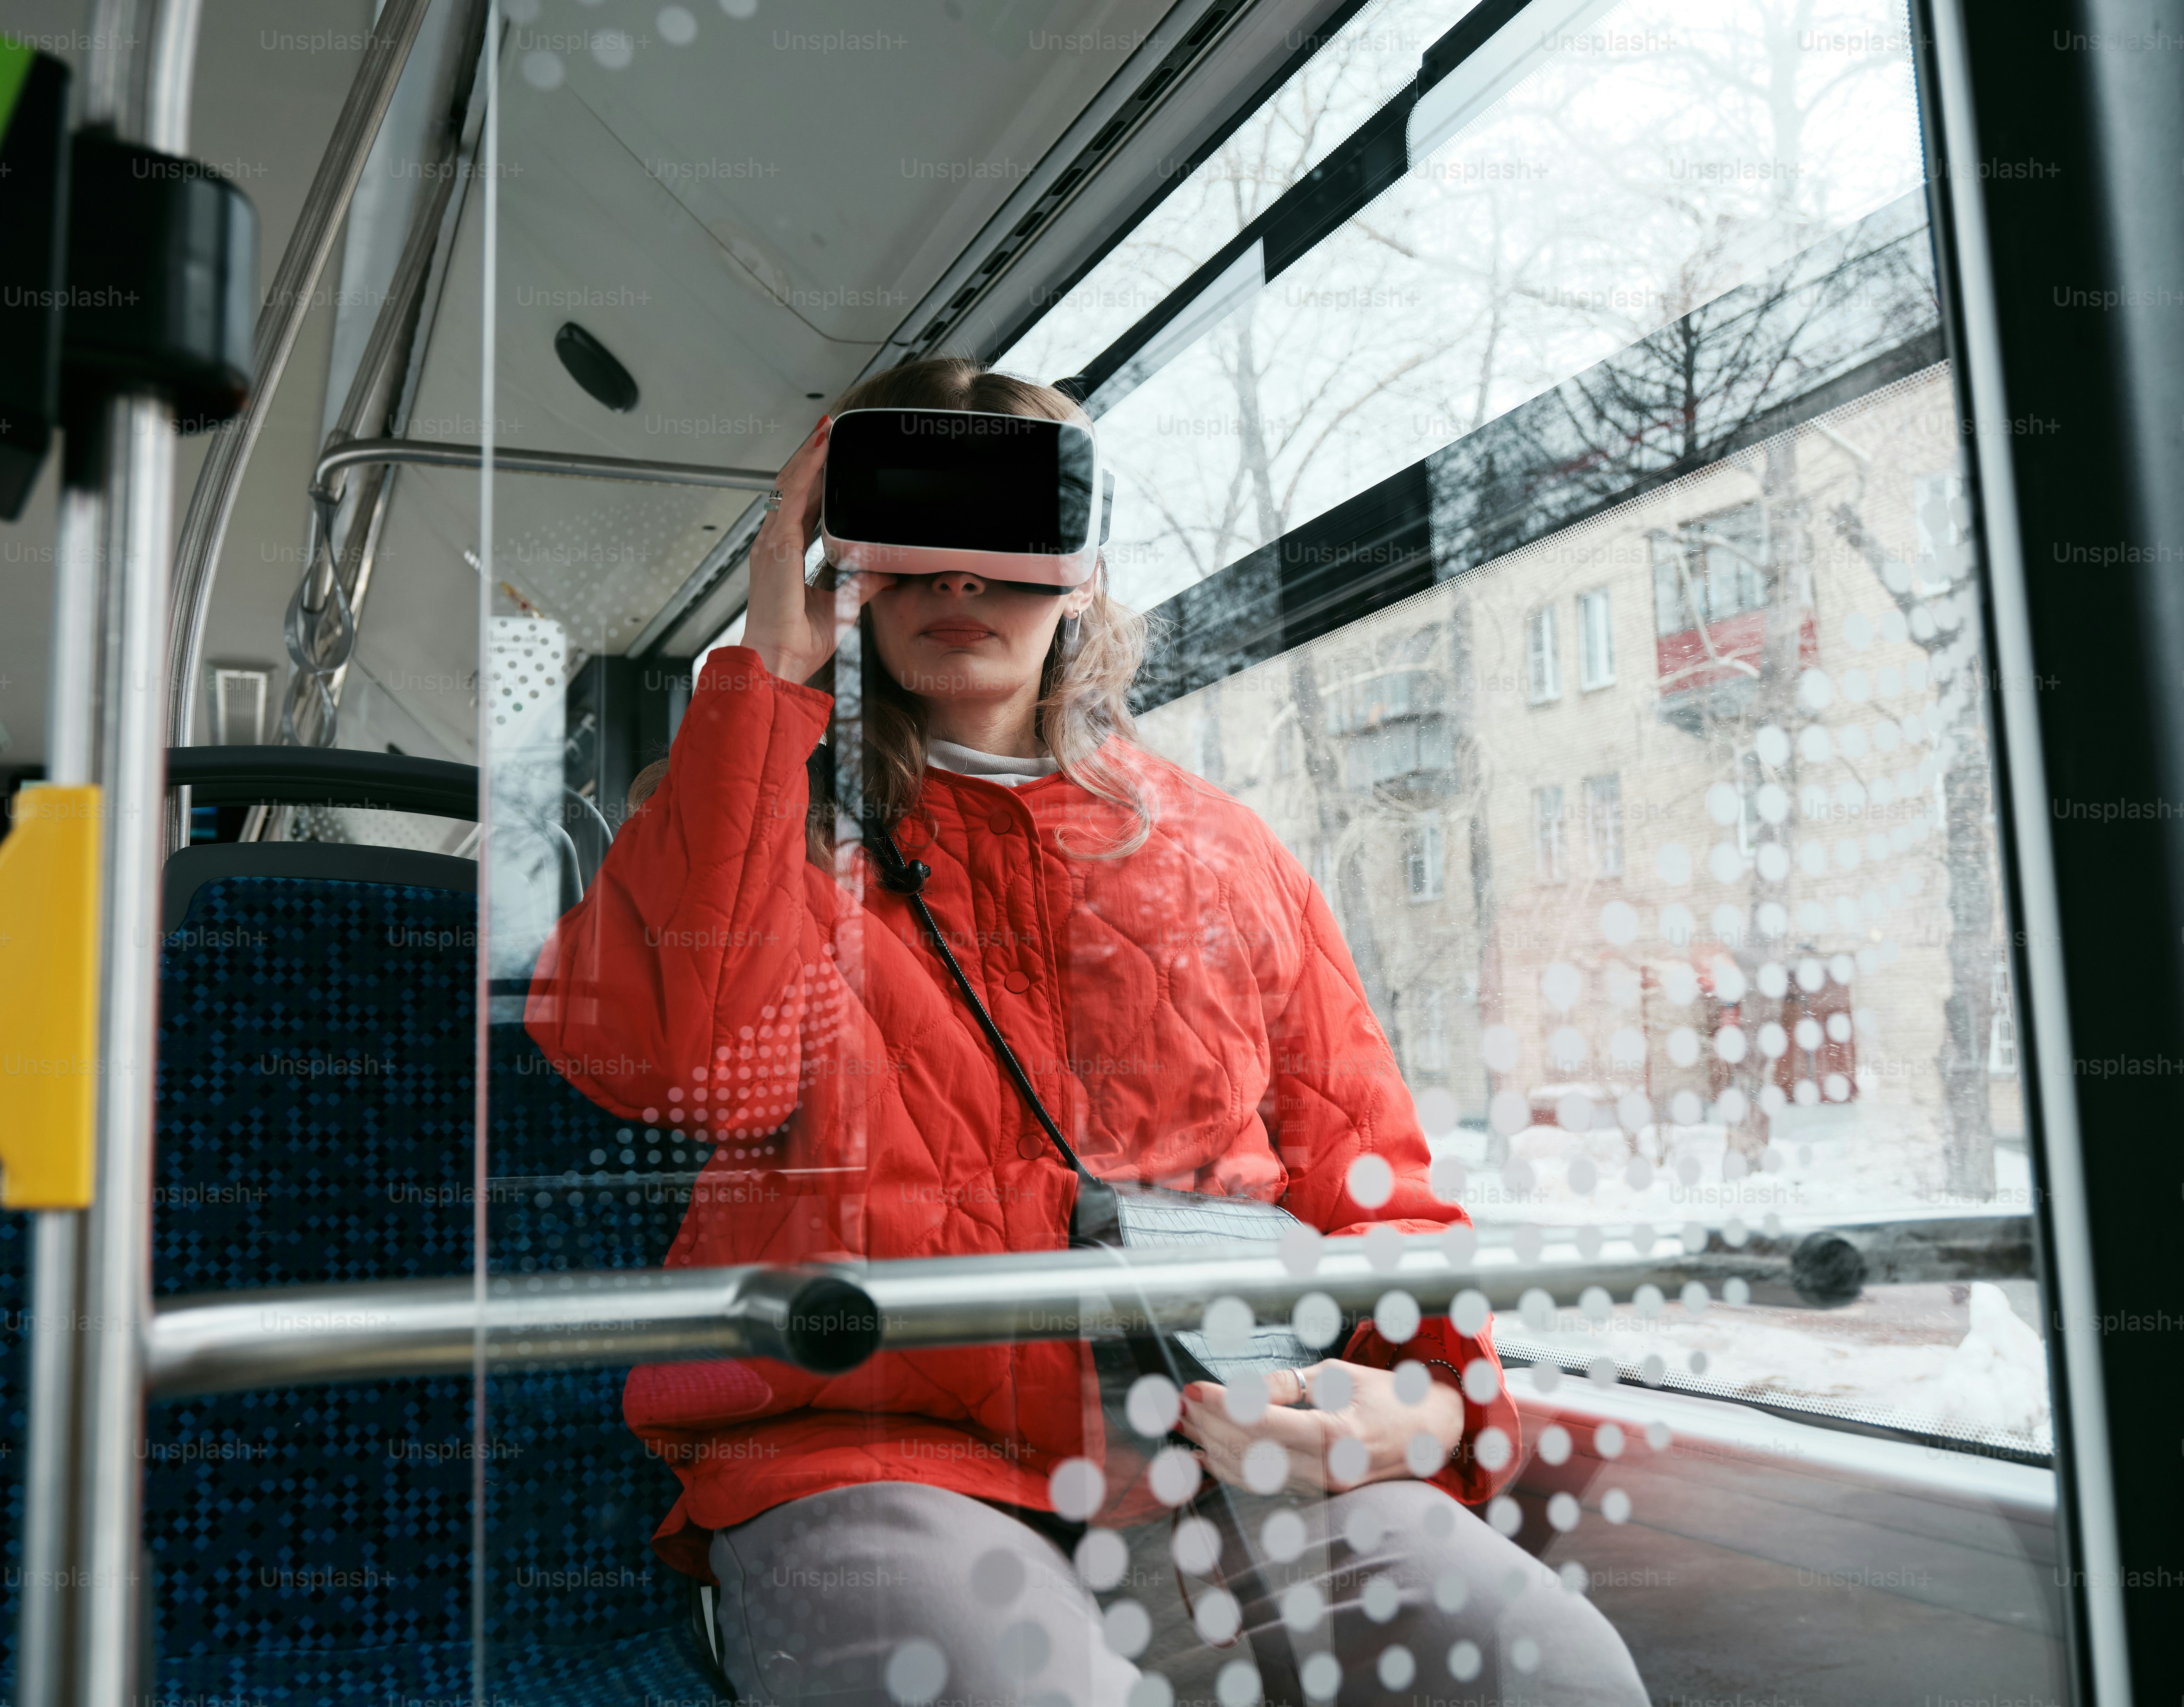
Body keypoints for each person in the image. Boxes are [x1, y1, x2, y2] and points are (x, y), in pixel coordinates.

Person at [527, 358, 1647, 1707]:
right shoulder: (748, 809)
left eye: (1010, 534)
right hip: (873, 1452)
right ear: (848, 557)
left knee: (1556, 1674)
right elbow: (680, 1068)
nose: (960, 583)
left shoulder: (1231, 857)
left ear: (1084, 566)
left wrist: (1414, 1406)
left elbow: (1373, 1191)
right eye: (915, 539)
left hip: (1220, 1449)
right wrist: (766, 673)